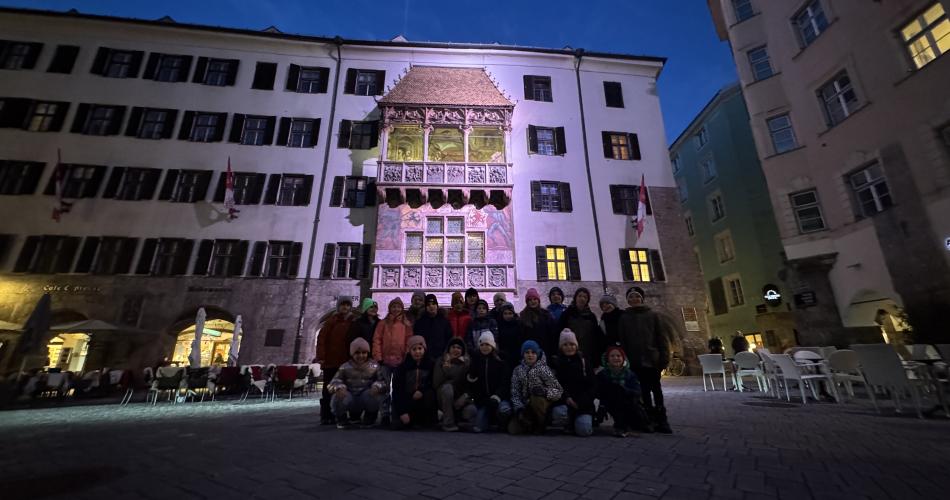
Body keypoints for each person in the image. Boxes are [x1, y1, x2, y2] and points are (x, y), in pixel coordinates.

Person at [618, 286, 672, 434]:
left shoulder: (653, 315)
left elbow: (662, 339)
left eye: (636, 297)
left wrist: (664, 358)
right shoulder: (624, 318)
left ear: (641, 298)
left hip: (652, 359)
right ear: (628, 300)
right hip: (634, 360)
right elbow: (623, 341)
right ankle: (648, 419)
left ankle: (662, 420)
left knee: (656, 390)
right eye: (631, 297)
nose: (634, 299)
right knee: (643, 391)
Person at [326, 338, 388, 429]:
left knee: (376, 396)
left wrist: (377, 386)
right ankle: (341, 418)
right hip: (350, 396)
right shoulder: (345, 366)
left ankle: (370, 416)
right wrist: (338, 388)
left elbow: (382, 381)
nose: (361, 355)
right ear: (352, 354)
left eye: (364, 353)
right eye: (357, 353)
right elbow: (334, 381)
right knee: (337, 396)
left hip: (366, 396)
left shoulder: (374, 366)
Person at [315, 296, 356, 425]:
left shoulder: (352, 321)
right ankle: (326, 415)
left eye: (347, 305)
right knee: (329, 389)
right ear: (339, 306)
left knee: (344, 389)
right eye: (343, 305)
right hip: (330, 361)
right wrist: (321, 357)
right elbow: (321, 339)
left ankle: (341, 414)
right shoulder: (331, 321)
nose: (345, 307)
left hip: (345, 361)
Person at [372, 297, 413, 426]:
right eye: (393, 306)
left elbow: (409, 341)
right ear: (390, 308)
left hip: (400, 361)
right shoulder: (383, 323)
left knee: (397, 389)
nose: (396, 309)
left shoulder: (406, 324)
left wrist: (406, 357)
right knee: (384, 389)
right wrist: (378, 357)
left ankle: (396, 413)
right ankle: (384, 414)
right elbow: (377, 340)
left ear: (402, 308)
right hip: (385, 361)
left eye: (398, 307)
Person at [509, 340, 563, 435]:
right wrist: (519, 408)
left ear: (537, 354)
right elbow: (515, 392)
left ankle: (541, 425)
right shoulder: (517, 370)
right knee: (513, 430)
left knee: (536, 399)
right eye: (527, 352)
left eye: (533, 352)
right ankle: (529, 423)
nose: (530, 355)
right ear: (523, 354)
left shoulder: (544, 369)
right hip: (526, 405)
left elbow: (558, 391)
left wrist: (545, 392)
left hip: (541, 402)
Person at [549, 329, 596, 437]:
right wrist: (567, 398)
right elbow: (557, 385)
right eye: (565, 344)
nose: (569, 347)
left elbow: (592, 386)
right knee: (559, 412)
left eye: (571, 344)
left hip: (583, 403)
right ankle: (569, 423)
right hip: (566, 402)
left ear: (576, 346)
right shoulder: (557, 363)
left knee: (584, 431)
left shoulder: (584, 362)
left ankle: (582, 421)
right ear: (561, 347)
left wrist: (581, 401)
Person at [465, 332, 512, 433]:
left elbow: (505, 382)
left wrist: (497, 396)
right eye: (482, 345)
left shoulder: (501, 360)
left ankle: (502, 424)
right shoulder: (476, 360)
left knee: (504, 410)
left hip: (499, 398)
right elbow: (473, 385)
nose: (484, 347)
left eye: (487, 344)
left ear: (492, 345)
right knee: (478, 427)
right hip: (484, 400)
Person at [596, 346, 645, 437]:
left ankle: (626, 424)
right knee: (614, 390)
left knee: (639, 423)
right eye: (612, 356)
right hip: (609, 402)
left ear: (623, 358)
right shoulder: (603, 374)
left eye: (618, 356)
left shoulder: (630, 374)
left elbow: (637, 391)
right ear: (607, 359)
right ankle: (620, 426)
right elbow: (598, 391)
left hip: (629, 402)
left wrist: (624, 390)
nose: (615, 358)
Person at [391, 335, 437, 430]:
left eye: (420, 348)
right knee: (399, 424)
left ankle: (428, 419)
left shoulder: (431, 365)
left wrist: (422, 390)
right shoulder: (402, 368)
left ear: (424, 349)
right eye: (414, 349)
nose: (417, 352)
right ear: (409, 351)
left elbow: (432, 382)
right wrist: (402, 411)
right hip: (407, 400)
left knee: (430, 394)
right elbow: (397, 391)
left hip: (422, 399)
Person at [558, 287, 605, 371]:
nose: (582, 299)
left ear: (587, 300)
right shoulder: (567, 314)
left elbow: (595, 337)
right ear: (575, 298)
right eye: (580, 296)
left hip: (588, 353)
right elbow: (559, 333)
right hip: (570, 352)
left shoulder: (591, 316)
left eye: (585, 297)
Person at [433, 337, 473, 431]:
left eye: (459, 348)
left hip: (460, 396)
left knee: (471, 410)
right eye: (453, 347)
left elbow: (469, 384)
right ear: (449, 349)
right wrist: (446, 368)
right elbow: (436, 383)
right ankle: (448, 423)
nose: (456, 349)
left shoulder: (467, 363)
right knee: (448, 388)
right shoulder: (441, 361)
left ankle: (460, 421)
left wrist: (465, 396)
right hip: (444, 396)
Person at [413, 294, 453, 363]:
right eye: (428, 305)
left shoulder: (444, 321)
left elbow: (449, 338)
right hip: (424, 357)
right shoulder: (420, 323)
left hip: (441, 357)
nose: (431, 306)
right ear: (426, 307)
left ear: (437, 305)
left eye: (433, 304)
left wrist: (447, 353)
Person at [520, 287, 557, 357]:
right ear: (527, 302)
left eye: (534, 299)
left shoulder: (546, 314)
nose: (532, 301)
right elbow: (521, 335)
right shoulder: (523, 316)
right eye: (530, 300)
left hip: (545, 349)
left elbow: (552, 334)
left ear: (538, 300)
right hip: (530, 352)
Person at [495, 302, 522, 368]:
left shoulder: (518, 324)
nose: (508, 316)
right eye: (505, 313)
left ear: (513, 314)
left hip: (516, 356)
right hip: (503, 356)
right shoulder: (499, 325)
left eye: (510, 313)